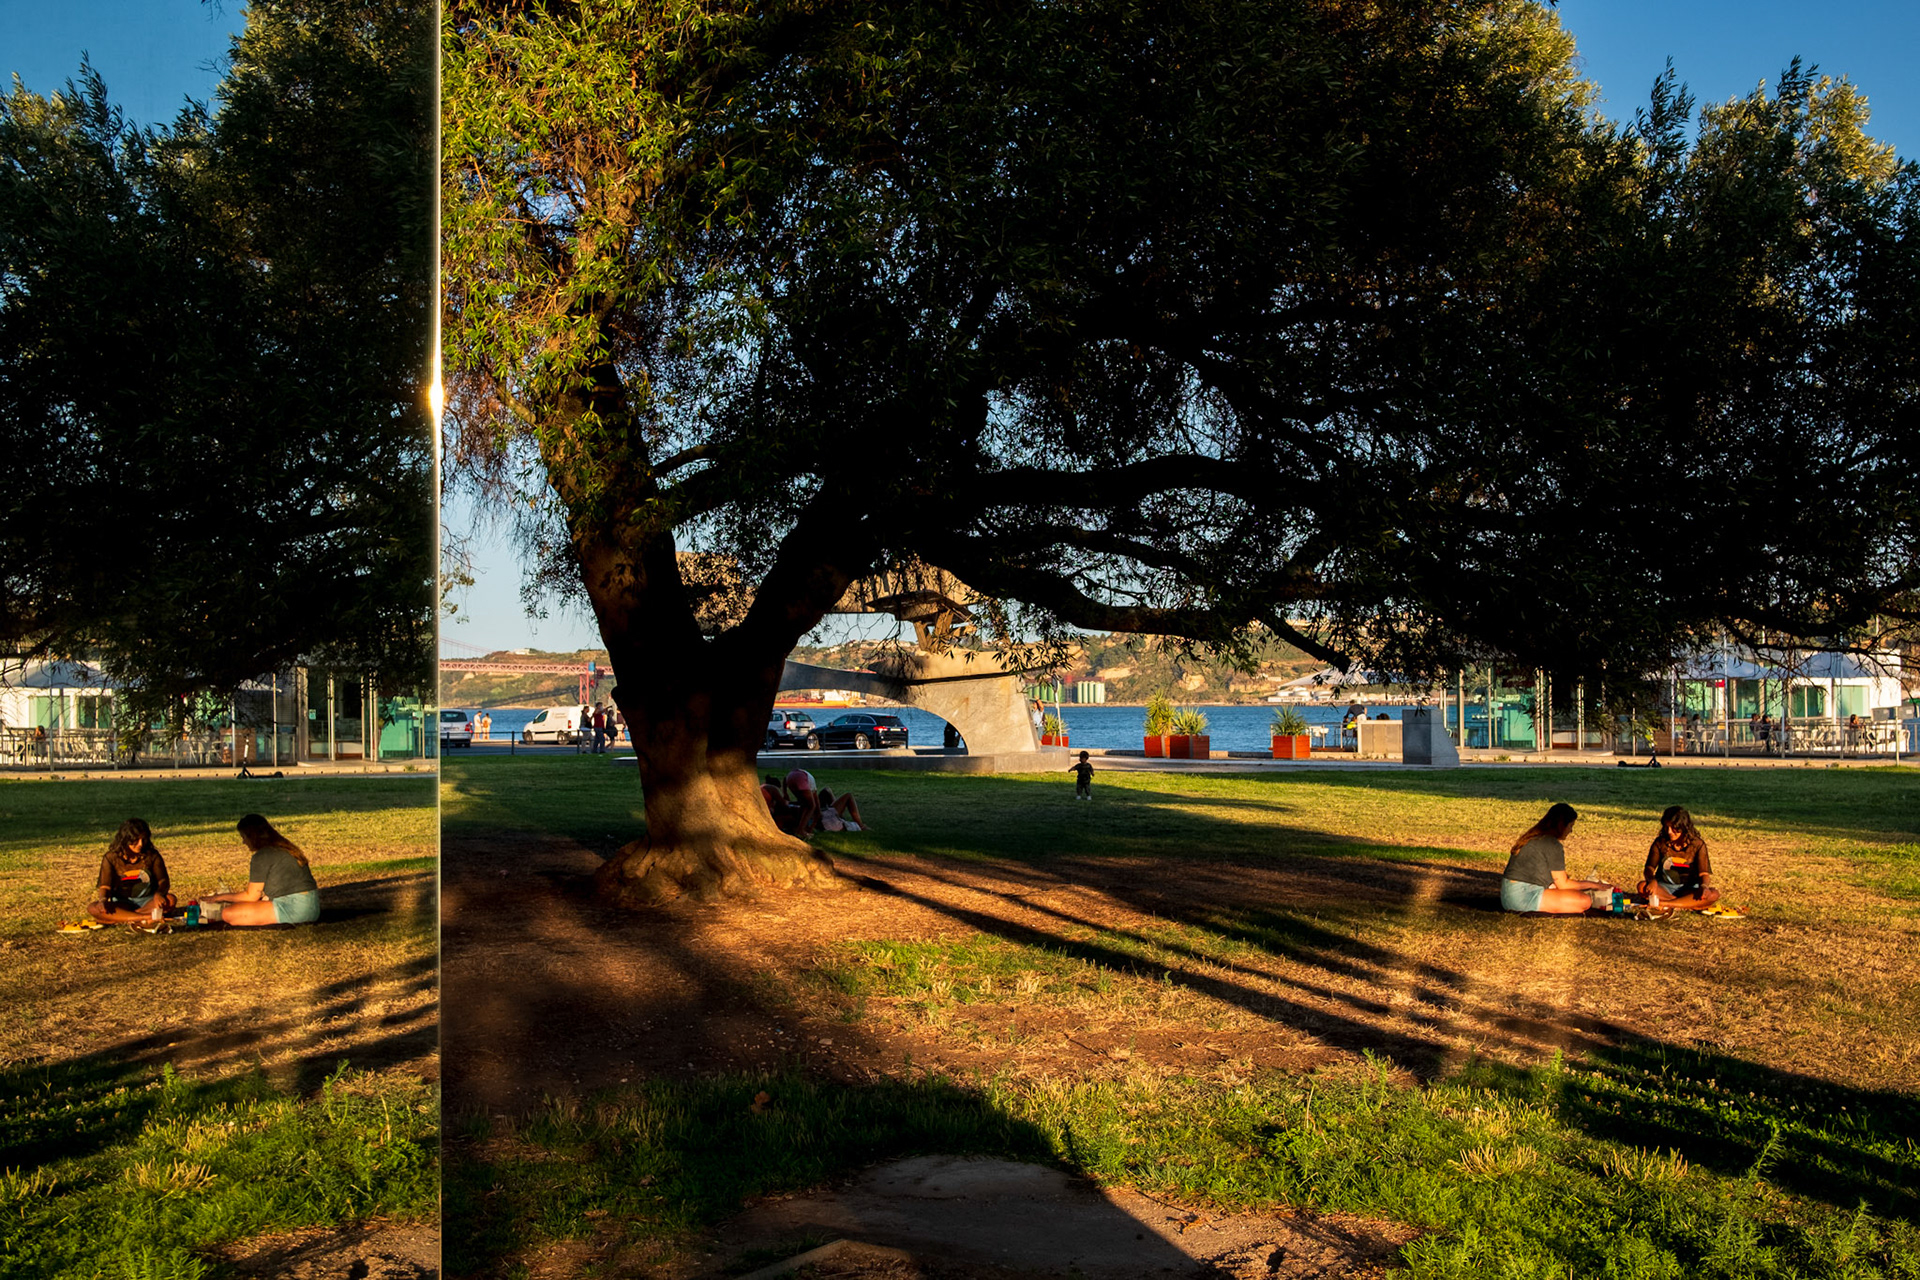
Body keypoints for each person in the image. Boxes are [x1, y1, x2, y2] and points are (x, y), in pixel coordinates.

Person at [198, 814, 321, 926]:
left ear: (253, 837)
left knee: (228, 913)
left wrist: (220, 897)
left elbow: (251, 896)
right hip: (312, 907)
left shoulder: (262, 855)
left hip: (293, 908)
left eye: (244, 837)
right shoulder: (286, 848)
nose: (243, 842)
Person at [1499, 802, 1615, 914]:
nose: (1571, 831)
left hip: (1508, 895)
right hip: (1523, 897)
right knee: (1584, 901)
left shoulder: (1533, 837)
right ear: (1561, 825)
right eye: (1570, 826)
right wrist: (1593, 885)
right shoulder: (1551, 844)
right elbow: (1563, 884)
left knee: (1571, 894)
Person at [87, 818, 175, 925]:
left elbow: (163, 881)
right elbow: (105, 886)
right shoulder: (111, 858)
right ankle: (144, 917)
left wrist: (159, 894)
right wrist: (103, 901)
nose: (140, 844)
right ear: (125, 839)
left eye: (143, 839)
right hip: (122, 902)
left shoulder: (152, 855)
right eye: (136, 840)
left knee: (170, 899)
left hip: (147, 901)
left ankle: (120, 918)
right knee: (93, 908)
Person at [1640, 805, 1720, 911]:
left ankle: (1666, 904)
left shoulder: (1697, 844)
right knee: (1642, 886)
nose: (1669, 831)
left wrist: (1704, 887)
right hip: (1664, 887)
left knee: (1714, 894)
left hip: (1689, 889)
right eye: (1666, 827)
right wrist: (1652, 880)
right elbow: (1649, 868)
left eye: (1673, 828)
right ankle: (1687, 904)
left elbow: (1704, 873)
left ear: (1683, 827)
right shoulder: (1660, 842)